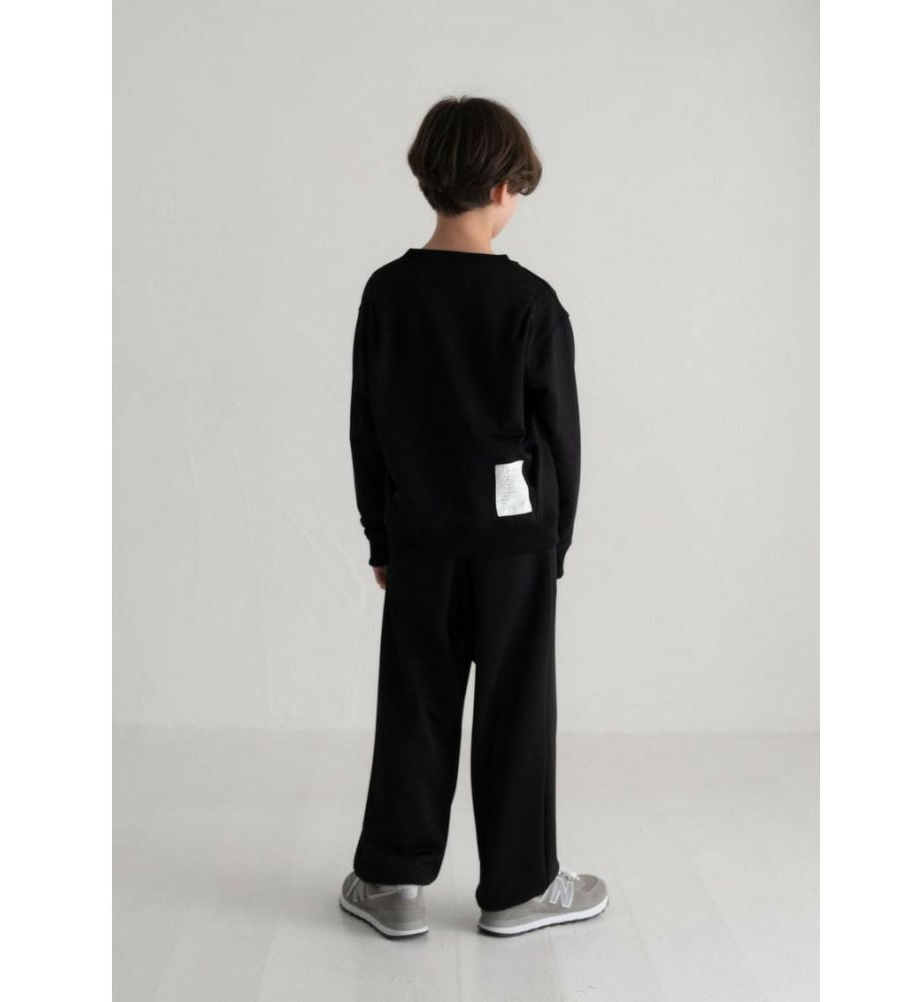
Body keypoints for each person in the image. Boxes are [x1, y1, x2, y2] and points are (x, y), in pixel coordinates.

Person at [338, 95, 608, 939]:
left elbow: (368, 425)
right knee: (518, 707)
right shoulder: (531, 302)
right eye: (517, 186)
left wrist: (381, 536)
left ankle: (391, 882)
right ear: (500, 188)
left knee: (415, 700)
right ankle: (520, 888)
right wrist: (554, 545)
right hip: (515, 546)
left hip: (419, 539)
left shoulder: (387, 294)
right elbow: (560, 437)